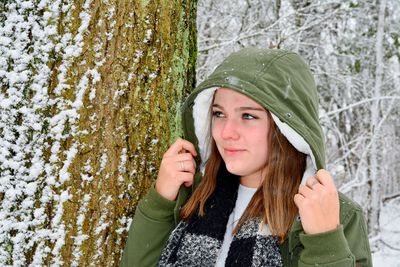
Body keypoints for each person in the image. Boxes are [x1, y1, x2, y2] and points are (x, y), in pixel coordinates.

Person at [120, 48, 372, 266]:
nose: (227, 133)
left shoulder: (336, 215)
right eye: (219, 114)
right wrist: (160, 203)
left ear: (286, 129)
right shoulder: (193, 195)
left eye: (248, 116)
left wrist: (325, 242)